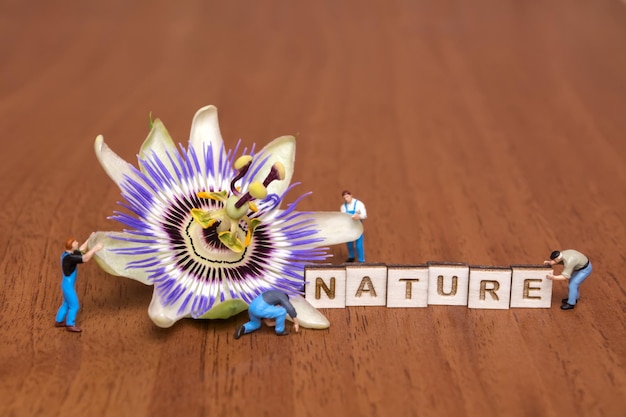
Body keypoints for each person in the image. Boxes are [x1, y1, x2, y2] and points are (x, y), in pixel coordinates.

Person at [55, 238, 103, 332]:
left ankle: (59, 321)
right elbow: (85, 258)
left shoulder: (68, 254)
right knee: (74, 306)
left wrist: (89, 239)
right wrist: (95, 249)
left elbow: (81, 251)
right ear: (72, 245)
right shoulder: (69, 258)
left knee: (66, 304)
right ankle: (70, 324)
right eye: (75, 242)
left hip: (66, 284)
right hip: (68, 286)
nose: (77, 243)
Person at [234, 290, 300, 338]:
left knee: (255, 324)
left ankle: (243, 328)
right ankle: (280, 331)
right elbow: (290, 308)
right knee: (282, 311)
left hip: (251, 307)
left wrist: (268, 322)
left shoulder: (270, 293)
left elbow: (264, 307)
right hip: (259, 310)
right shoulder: (282, 296)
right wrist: (296, 323)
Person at [340, 190, 367, 263]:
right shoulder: (343, 207)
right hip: (349, 228)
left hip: (358, 227)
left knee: (359, 245)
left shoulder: (359, 204)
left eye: (347, 196)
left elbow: (364, 215)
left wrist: (359, 216)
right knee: (349, 244)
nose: (346, 199)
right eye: (344, 197)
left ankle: (361, 260)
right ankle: (351, 257)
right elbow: (342, 217)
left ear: (351, 195)